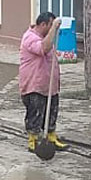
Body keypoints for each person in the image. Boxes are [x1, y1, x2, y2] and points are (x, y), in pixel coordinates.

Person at [19, 11, 66, 153]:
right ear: (43, 24)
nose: (53, 28)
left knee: (51, 112)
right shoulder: (30, 38)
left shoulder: (47, 37)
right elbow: (43, 48)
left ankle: (51, 137)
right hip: (34, 85)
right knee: (36, 113)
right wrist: (54, 29)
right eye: (50, 25)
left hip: (49, 85)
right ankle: (33, 140)